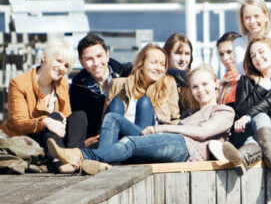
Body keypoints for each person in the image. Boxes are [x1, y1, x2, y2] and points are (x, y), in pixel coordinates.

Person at [48, 64, 234, 171]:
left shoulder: (224, 111)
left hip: (187, 149)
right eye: (195, 86)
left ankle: (79, 155)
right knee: (113, 117)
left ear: (216, 84)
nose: (200, 90)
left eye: (205, 84)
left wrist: (161, 127)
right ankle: (99, 163)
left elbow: (202, 133)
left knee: (130, 142)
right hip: (171, 141)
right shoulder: (189, 114)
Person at [0, 39, 87, 173]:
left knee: (79, 116)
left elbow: (67, 114)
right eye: (58, 61)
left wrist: (62, 122)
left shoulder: (62, 82)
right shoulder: (19, 83)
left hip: (54, 137)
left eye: (66, 65)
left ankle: (74, 159)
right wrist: (45, 121)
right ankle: (63, 161)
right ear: (44, 57)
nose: (62, 68)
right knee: (54, 116)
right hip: (28, 135)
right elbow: (19, 123)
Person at [221, 37, 271, 184]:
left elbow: (270, 103)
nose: (257, 57)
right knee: (255, 132)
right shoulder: (245, 81)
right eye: (252, 55)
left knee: (261, 116)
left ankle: (242, 156)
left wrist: (250, 114)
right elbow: (240, 110)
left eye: (261, 52)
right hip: (250, 137)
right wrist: (259, 88)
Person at [103, 43, 180, 137]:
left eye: (162, 64)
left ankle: (130, 148)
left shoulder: (168, 84)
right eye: (154, 63)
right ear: (141, 64)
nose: (159, 68)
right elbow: (105, 121)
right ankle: (109, 149)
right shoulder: (117, 84)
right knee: (116, 103)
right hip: (119, 138)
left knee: (144, 102)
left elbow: (174, 120)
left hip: (148, 140)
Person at [69, 33, 133, 141]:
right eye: (89, 59)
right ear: (81, 62)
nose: (96, 63)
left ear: (107, 55)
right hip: (99, 139)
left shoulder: (127, 73)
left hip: (129, 133)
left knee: (116, 103)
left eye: (99, 56)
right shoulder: (77, 88)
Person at [232, 0, 271, 74]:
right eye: (247, 17)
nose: (252, 21)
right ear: (243, 20)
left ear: (266, 17)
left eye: (256, 16)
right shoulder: (239, 43)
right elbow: (243, 70)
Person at [164, 32, 194, 114]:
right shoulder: (159, 78)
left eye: (187, 54)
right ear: (167, 55)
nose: (183, 59)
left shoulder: (192, 79)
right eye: (177, 53)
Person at [216, 31, 241, 105]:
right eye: (221, 54)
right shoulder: (223, 82)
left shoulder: (250, 78)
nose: (225, 58)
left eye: (229, 52)